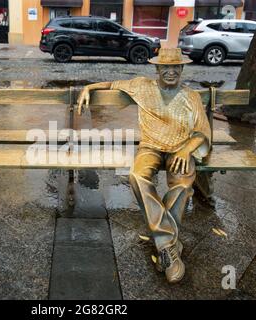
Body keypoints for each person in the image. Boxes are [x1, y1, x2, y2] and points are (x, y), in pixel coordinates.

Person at [77, 48, 211, 283]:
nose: (170, 72)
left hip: (181, 147)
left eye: (175, 67)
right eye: (165, 68)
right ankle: (170, 244)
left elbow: (201, 132)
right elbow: (112, 84)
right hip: (150, 147)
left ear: (182, 69)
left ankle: (164, 246)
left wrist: (186, 149)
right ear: (157, 69)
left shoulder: (191, 96)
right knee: (137, 176)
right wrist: (88, 88)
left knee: (182, 183)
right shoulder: (142, 86)